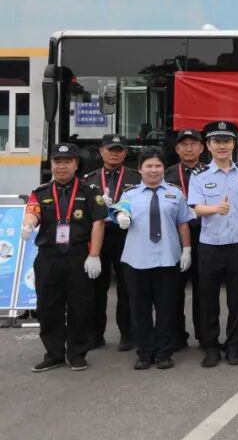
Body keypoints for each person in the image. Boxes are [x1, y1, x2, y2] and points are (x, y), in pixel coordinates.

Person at [23, 143, 107, 372]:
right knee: (48, 307)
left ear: (76, 164)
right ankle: (54, 354)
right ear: (51, 164)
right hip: (48, 257)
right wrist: (28, 226)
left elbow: (98, 223)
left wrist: (94, 255)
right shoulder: (40, 192)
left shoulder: (89, 191)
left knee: (81, 306)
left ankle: (77, 353)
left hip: (78, 256)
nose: (62, 166)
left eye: (67, 161)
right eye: (57, 162)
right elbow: (32, 212)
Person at [116, 148, 194, 369]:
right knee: (139, 310)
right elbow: (120, 213)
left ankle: (164, 353)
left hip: (167, 260)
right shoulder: (129, 194)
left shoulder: (175, 193)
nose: (153, 170)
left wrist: (187, 249)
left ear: (164, 169)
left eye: (158, 166)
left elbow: (182, 222)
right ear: (140, 169)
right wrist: (121, 217)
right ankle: (144, 352)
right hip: (136, 260)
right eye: (148, 166)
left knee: (166, 310)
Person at [188, 121, 238, 367]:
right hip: (210, 246)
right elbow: (196, 208)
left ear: (233, 144)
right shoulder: (199, 176)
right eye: (216, 141)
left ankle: (234, 345)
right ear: (208, 145)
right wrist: (215, 209)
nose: (222, 146)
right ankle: (210, 346)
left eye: (226, 141)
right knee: (208, 299)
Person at [84, 134, 140, 352]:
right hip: (98, 236)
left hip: (127, 236)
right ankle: (94, 334)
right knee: (96, 287)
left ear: (125, 153)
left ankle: (128, 334)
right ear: (101, 151)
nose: (114, 154)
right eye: (110, 149)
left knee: (127, 287)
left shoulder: (136, 178)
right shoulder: (89, 179)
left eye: (119, 150)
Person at [165, 127, 206, 351]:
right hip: (174, 237)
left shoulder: (210, 172)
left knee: (204, 290)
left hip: (203, 237)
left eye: (193, 144)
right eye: (184, 145)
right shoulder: (166, 174)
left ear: (202, 148)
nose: (189, 148)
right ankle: (176, 336)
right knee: (173, 290)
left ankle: (204, 336)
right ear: (177, 149)